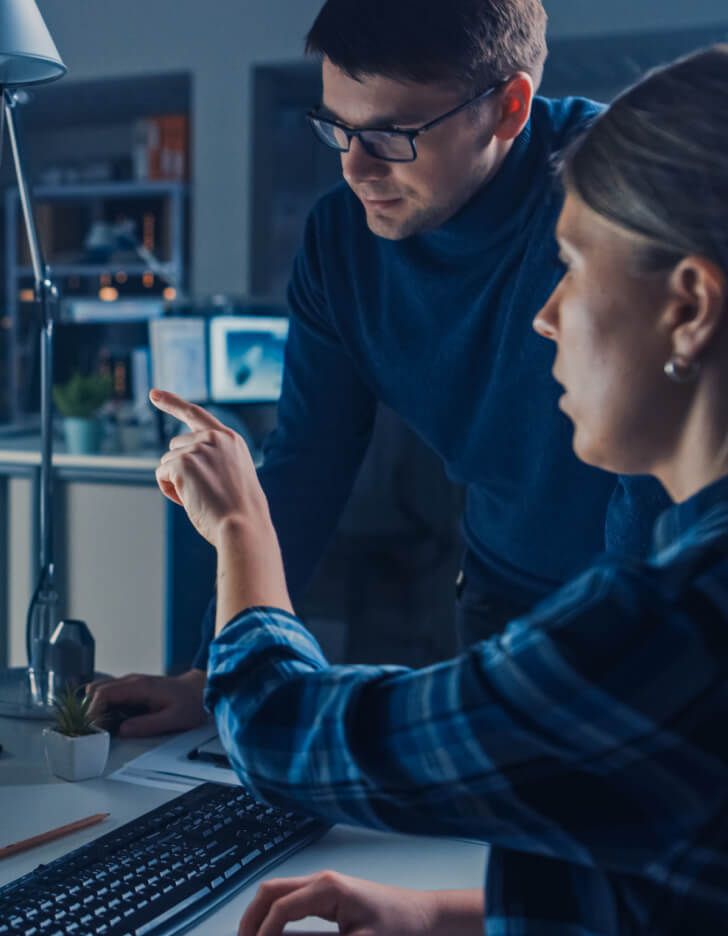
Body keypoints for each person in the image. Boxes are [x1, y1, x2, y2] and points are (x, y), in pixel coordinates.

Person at [140, 45, 728, 934]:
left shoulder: (671, 629)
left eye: (573, 267)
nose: (546, 313)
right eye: (337, 129)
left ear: (689, 306)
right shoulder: (343, 239)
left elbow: (281, 732)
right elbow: (675, 874)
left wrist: (240, 530)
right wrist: (448, 916)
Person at [90, 0, 667, 738]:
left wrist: (633, 665)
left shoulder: (620, 197)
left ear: (509, 108)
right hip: (502, 589)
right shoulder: (342, 243)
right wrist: (210, 671)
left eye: (393, 135)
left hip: (650, 589)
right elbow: (308, 461)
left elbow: (655, 476)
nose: (356, 169)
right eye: (339, 128)